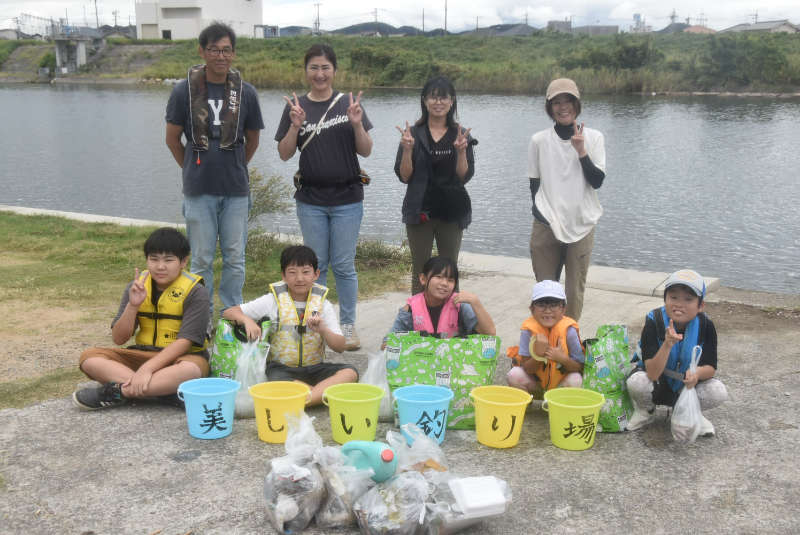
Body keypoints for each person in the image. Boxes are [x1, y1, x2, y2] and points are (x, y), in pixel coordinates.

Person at [165, 22, 265, 330]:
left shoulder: (245, 92)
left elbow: (252, 140)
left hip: (235, 189)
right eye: (213, 49)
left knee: (235, 257)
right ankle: (201, 317)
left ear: (233, 53)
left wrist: (232, 165)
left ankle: (232, 313)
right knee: (202, 259)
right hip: (199, 190)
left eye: (226, 50)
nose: (220, 56)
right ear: (201, 51)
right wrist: (193, 168)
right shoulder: (184, 90)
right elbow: (172, 139)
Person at [275, 44, 372, 351]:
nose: (319, 74)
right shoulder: (296, 106)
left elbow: (367, 149)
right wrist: (294, 125)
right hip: (311, 199)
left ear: (334, 71)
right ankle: (317, 323)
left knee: (344, 264)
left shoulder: (348, 103)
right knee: (315, 267)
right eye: (314, 68)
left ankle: (346, 325)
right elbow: (284, 153)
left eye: (325, 68)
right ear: (306, 71)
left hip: (347, 197)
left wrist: (356, 123)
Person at [73, 228, 210, 410]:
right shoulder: (136, 286)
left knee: (190, 371)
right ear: (147, 260)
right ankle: (163, 391)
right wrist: (133, 305)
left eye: (168, 260)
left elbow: (185, 342)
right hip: (142, 354)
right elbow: (119, 338)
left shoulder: (196, 291)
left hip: (182, 358)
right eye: (154, 259)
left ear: (183, 262)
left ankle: (119, 392)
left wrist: (146, 370)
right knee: (89, 358)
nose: (160, 267)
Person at [222, 245, 356, 406]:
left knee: (350, 372)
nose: (299, 278)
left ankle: (305, 397)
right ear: (283, 276)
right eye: (292, 272)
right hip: (281, 370)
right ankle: (320, 395)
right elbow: (229, 312)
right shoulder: (272, 300)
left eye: (306, 272)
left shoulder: (323, 303)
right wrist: (247, 320)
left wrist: (323, 330)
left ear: (316, 274)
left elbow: (340, 347)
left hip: (315, 368)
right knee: (276, 380)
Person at [528, 78, 606, 321]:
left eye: (568, 101)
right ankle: (544, 346)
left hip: (582, 224)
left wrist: (581, 151)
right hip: (546, 225)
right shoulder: (539, 140)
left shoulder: (593, 138)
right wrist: (542, 215)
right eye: (556, 102)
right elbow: (534, 184)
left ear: (577, 104)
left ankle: (568, 343)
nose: (563, 107)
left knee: (573, 293)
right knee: (545, 293)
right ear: (549, 107)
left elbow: (597, 181)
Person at [394, 76, 476, 294]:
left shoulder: (460, 134)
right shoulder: (412, 134)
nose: (438, 102)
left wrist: (460, 152)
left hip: (452, 210)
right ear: (424, 100)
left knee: (450, 270)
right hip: (420, 209)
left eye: (443, 98)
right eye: (433, 97)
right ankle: (419, 321)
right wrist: (408, 150)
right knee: (421, 271)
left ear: (452, 101)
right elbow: (404, 176)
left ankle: (450, 320)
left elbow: (463, 177)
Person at [626, 269, 728, 435]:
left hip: (687, 387)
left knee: (717, 391)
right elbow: (651, 373)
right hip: (658, 384)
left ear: (700, 305)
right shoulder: (654, 321)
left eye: (688, 299)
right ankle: (646, 410)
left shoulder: (706, 326)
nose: (679, 304)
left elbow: (711, 367)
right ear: (665, 299)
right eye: (673, 297)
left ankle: (688, 411)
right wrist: (667, 344)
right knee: (637, 382)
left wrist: (697, 374)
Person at [506, 280, 584, 394]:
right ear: (532, 309)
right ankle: (527, 402)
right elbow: (527, 368)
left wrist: (562, 359)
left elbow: (579, 367)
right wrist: (538, 356)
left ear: (563, 309)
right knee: (513, 375)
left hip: (560, 386)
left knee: (576, 379)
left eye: (553, 305)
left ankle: (559, 404)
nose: (547, 311)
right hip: (536, 385)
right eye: (541, 305)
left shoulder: (569, 331)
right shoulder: (527, 331)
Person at [387, 256, 495, 338]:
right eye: (439, 277)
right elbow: (387, 342)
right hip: (422, 364)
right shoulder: (410, 308)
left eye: (450, 280)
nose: (444, 283)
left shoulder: (460, 305)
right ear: (423, 279)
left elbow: (490, 334)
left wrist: (475, 302)